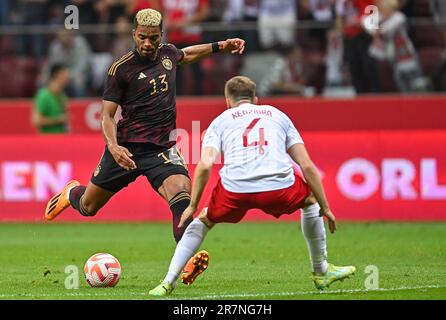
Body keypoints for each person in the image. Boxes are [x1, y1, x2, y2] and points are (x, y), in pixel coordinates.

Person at [44, 8, 245, 286]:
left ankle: (185, 265)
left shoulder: (168, 54)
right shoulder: (120, 69)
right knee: (89, 207)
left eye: (153, 38)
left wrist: (221, 46)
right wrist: (113, 147)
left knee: (182, 198)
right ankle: (71, 193)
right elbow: (106, 116)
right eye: (142, 37)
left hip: (161, 149)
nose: (147, 43)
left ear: (160, 36)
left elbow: (189, 54)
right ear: (134, 35)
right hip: (125, 149)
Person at [148, 76, 356, 296]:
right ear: (256, 99)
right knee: (310, 202)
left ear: (228, 101)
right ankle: (321, 270)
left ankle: (167, 282)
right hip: (278, 187)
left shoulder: (220, 121)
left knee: (204, 220)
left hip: (236, 189)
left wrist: (192, 206)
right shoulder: (278, 116)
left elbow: (204, 166)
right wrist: (325, 207)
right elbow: (307, 166)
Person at [32, 64, 70, 134]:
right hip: (47, 141)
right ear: (56, 74)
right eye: (65, 74)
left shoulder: (62, 96)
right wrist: (58, 120)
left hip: (62, 140)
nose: (67, 77)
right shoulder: (44, 96)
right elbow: (36, 120)